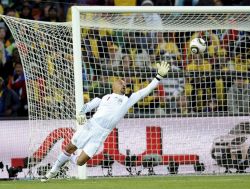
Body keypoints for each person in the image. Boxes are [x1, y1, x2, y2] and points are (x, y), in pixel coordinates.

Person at [41, 62, 169, 182]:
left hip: (101, 134)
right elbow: (88, 106)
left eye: (125, 84)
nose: (123, 85)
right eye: (121, 83)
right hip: (90, 126)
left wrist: (158, 77)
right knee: (69, 147)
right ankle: (54, 170)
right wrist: (80, 113)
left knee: (80, 162)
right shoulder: (104, 97)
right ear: (113, 85)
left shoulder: (128, 99)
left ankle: (66, 160)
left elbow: (145, 90)